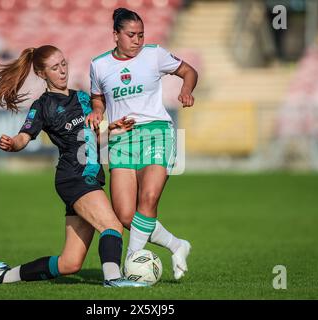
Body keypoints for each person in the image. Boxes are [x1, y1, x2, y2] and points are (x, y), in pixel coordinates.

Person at [0, 45, 147, 288]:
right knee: (112, 225)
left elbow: (90, 137)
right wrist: (13, 143)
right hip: (74, 178)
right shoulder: (42, 106)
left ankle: (2, 275)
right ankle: (113, 279)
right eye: (55, 67)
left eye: (64, 63)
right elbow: (24, 136)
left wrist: (114, 129)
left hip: (91, 178)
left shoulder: (83, 97)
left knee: (69, 264)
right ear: (42, 74)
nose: (62, 70)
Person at [87, 8, 198, 280]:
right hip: (121, 137)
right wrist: (98, 111)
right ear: (115, 35)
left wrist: (186, 90)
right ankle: (177, 245)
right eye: (131, 35)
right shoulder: (99, 65)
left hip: (156, 132)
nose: (137, 40)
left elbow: (188, 71)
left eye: (141, 35)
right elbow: (97, 98)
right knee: (125, 216)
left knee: (148, 199)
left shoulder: (154, 55)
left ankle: (130, 265)